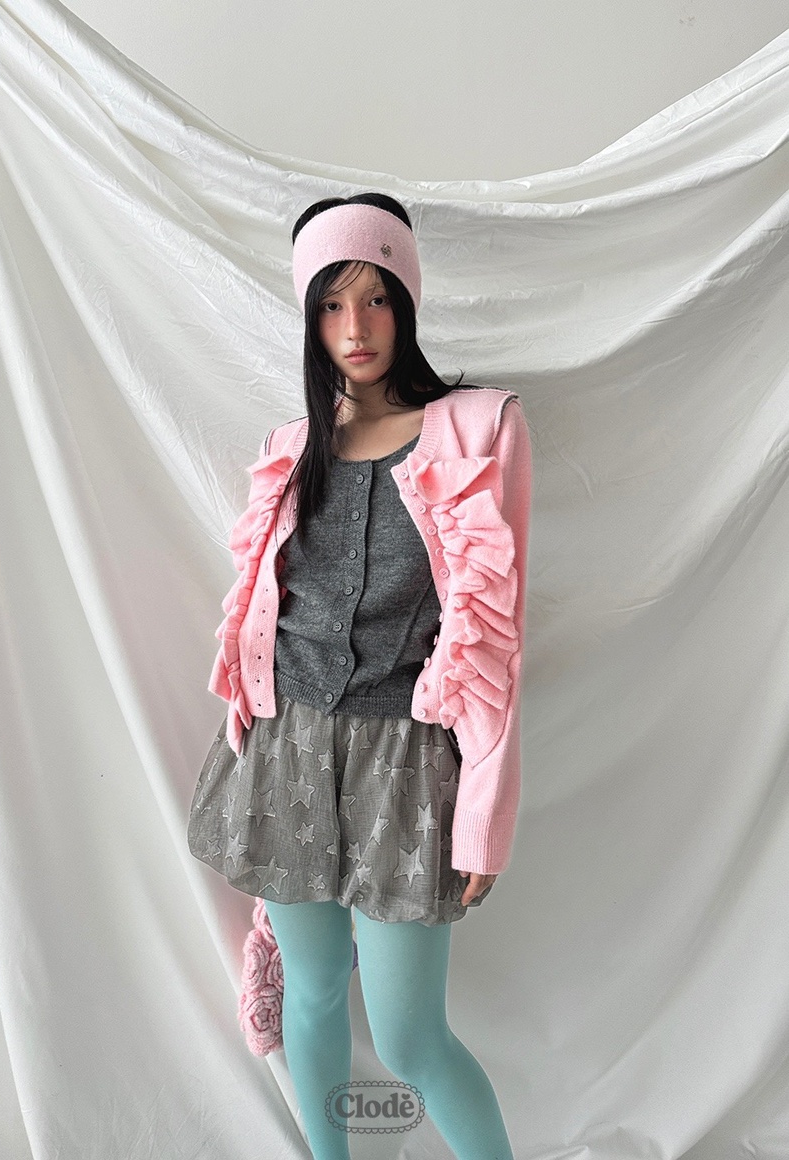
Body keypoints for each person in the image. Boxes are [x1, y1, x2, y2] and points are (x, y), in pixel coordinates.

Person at [187, 192, 531, 1159]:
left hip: (407, 765)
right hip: (287, 751)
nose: (356, 327)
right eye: (332, 304)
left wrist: (485, 813)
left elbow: (497, 643)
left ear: (406, 304)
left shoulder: (480, 430)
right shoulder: (289, 450)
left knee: (413, 1035)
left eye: (376, 298)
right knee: (312, 991)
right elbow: (260, 610)